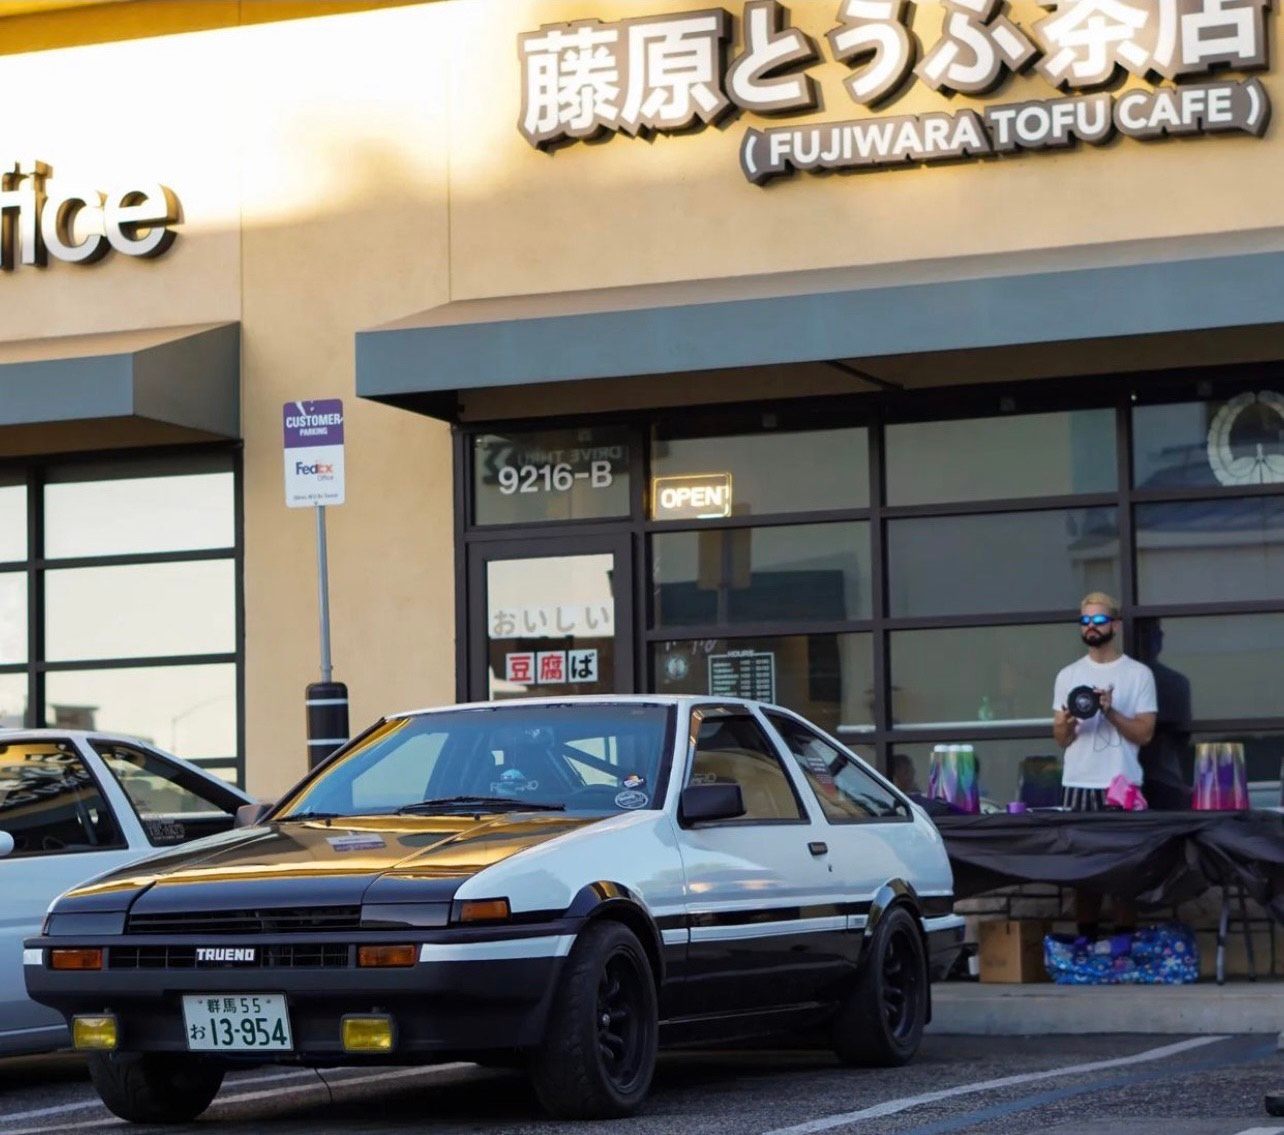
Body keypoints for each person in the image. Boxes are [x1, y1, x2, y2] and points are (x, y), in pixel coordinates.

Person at [1052, 592, 1157, 939]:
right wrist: (1067, 722)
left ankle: (1123, 944)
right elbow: (1060, 738)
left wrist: (1109, 711)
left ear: (1114, 624)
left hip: (1122, 785)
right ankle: (1085, 942)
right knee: (1084, 870)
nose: (1092, 628)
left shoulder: (1138, 675)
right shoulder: (1068, 675)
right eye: (1085, 621)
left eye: (1098, 621)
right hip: (1080, 784)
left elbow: (1144, 734)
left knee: (1127, 869)